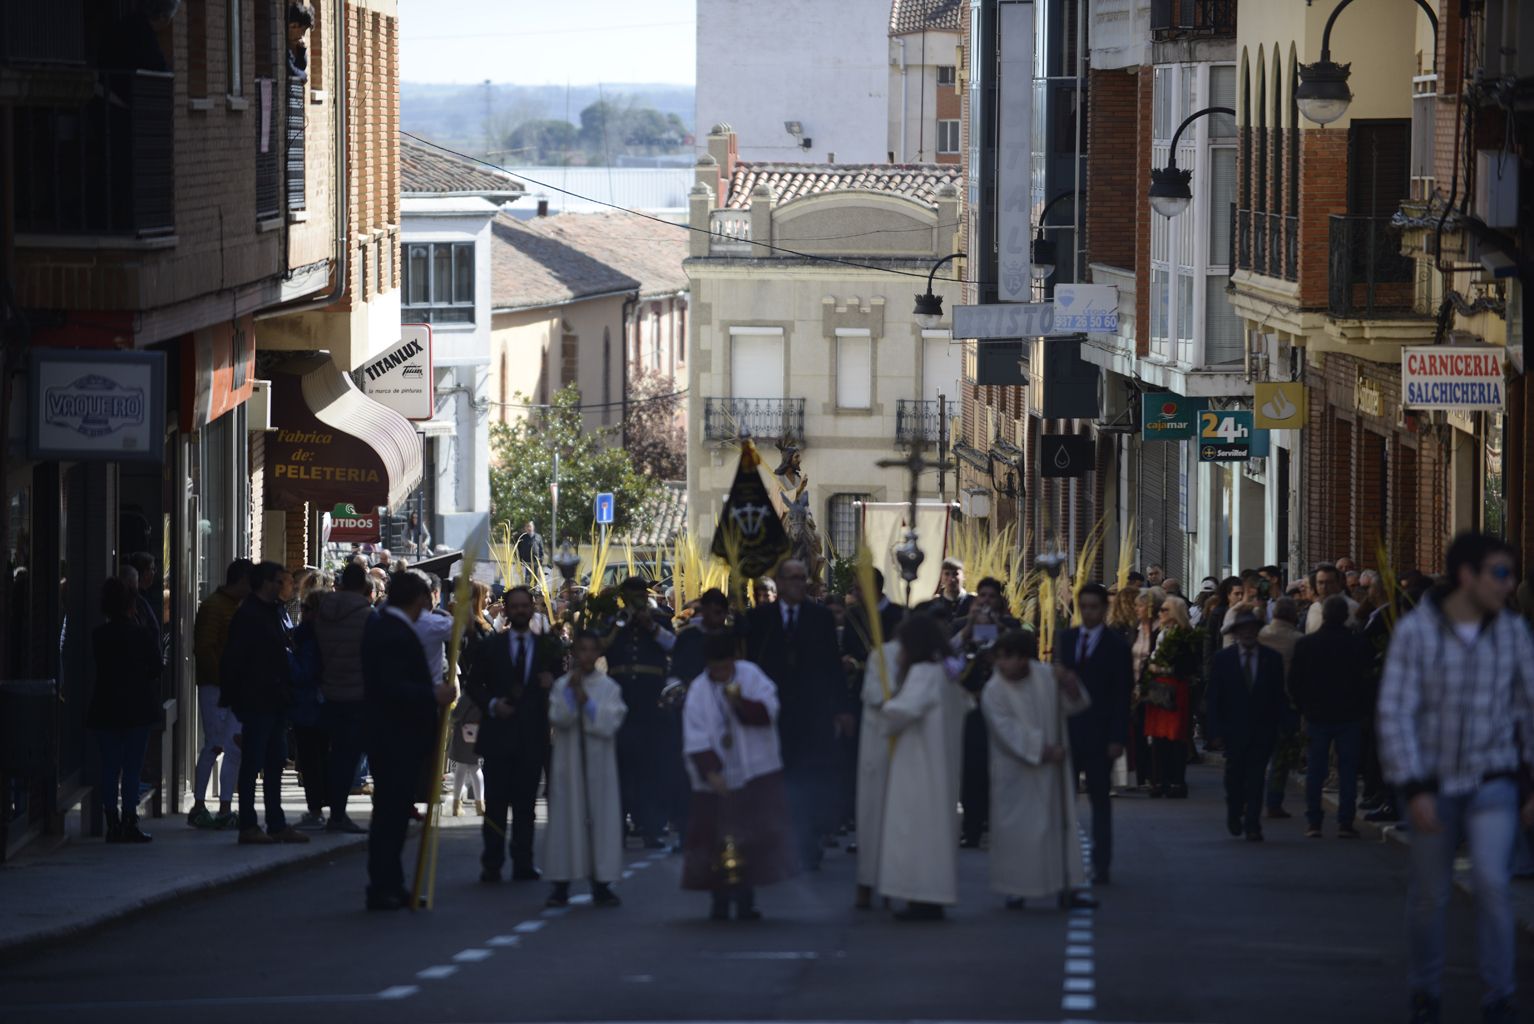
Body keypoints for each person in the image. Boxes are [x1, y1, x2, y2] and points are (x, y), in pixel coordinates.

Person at [1377, 533, 1534, 1024]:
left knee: (1491, 883)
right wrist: (1413, 785)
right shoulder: (1417, 633)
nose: (1510, 586)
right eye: (1501, 574)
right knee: (1430, 895)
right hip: (1434, 783)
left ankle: (1499, 995)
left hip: (1494, 782)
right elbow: (1396, 711)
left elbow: (1529, 708)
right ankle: (1425, 988)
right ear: (1468, 576)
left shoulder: (1512, 633)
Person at [681, 632, 797, 921]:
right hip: (716, 776)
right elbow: (693, 734)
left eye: (725, 668)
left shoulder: (752, 676)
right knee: (713, 838)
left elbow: (770, 710)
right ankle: (719, 901)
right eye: (714, 669)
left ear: (734, 660)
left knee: (752, 835)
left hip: (753, 770)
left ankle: (746, 900)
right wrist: (710, 772)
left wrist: (739, 702)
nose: (719, 675)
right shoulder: (698, 689)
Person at [360, 570, 455, 911]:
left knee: (394, 813)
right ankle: (384, 885)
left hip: (393, 734)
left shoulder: (383, 624)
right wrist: (433, 693)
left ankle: (391, 883)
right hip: (395, 735)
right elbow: (391, 686)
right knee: (390, 814)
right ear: (418, 600)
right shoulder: (392, 631)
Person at [741, 558, 842, 871]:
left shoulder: (820, 618)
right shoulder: (759, 620)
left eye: (802, 578)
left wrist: (841, 709)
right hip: (773, 713)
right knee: (776, 779)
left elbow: (832, 667)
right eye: (793, 578)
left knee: (809, 778)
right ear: (780, 583)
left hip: (811, 714)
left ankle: (808, 842)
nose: (799, 584)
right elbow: (749, 665)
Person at [982, 629, 1093, 908]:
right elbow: (1005, 729)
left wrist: (1068, 683)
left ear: (1023, 659)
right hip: (1016, 770)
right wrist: (1042, 750)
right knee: (1017, 831)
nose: (1001, 664)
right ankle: (1016, 887)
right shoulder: (993, 690)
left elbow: (1074, 705)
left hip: (1051, 770)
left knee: (1057, 826)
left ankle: (1064, 885)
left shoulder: (1046, 676)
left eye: (1007, 658)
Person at [466, 586, 561, 882]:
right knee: (495, 804)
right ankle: (491, 863)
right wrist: (493, 704)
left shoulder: (547, 647)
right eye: (514, 606)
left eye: (524, 605)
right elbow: (473, 685)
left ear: (532, 608)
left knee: (525, 806)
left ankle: (524, 862)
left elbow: (563, 685)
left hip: (532, 737)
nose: (520, 610)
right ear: (506, 609)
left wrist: (553, 681)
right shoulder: (491, 646)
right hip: (498, 736)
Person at [877, 613, 968, 921]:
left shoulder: (923, 673)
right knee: (931, 830)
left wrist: (885, 706)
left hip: (918, 766)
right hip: (938, 764)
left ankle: (921, 893)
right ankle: (927, 895)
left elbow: (904, 710)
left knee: (915, 829)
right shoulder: (944, 673)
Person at [222, 561, 309, 845]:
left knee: (274, 764)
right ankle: (248, 825)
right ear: (267, 584)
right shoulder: (248, 615)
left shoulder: (273, 613)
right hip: (257, 701)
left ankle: (276, 823)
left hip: (275, 701)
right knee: (252, 764)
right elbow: (237, 661)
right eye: (282, 581)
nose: (289, 586)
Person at [1054, 583, 1132, 884]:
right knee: (1063, 800)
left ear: (1104, 609)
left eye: (1094, 607)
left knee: (1100, 801)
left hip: (1100, 735)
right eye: (1084, 607)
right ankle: (1062, 860)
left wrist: (1117, 738)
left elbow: (1122, 695)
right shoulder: (1066, 639)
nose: (1088, 612)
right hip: (1068, 732)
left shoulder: (1116, 646)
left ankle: (1101, 864)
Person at [545, 632, 627, 908]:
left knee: (600, 818)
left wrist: (588, 704)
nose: (587, 656)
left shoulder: (609, 687)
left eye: (593, 650)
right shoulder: (562, 685)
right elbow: (558, 717)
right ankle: (561, 882)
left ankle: (601, 882)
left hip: (599, 763)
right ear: (575, 653)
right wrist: (571, 696)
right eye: (582, 650)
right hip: (569, 764)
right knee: (567, 818)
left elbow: (610, 722)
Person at [1290, 595, 1374, 839]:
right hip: (1349, 715)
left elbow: (1295, 680)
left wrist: (1303, 705)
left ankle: (1314, 821)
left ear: (1324, 615)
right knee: (1347, 770)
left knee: (1316, 770)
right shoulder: (1357, 644)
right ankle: (1345, 821)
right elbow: (1366, 681)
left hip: (1317, 714)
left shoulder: (1307, 644)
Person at [89, 575, 162, 843]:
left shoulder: (99, 636)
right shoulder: (140, 634)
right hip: (137, 707)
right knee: (132, 768)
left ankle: (112, 821)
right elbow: (156, 667)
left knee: (110, 767)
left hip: (106, 706)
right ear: (131, 606)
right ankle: (130, 819)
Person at [1206, 609, 1288, 842]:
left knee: (1255, 777)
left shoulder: (1271, 659)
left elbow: (1278, 695)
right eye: (1243, 629)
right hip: (1233, 730)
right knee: (1234, 776)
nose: (1248, 633)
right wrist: (1215, 731)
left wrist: (1282, 726)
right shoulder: (1223, 659)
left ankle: (1253, 823)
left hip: (1262, 729)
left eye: (1252, 629)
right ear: (1237, 632)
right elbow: (1214, 698)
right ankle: (1234, 811)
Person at [607, 576, 677, 849]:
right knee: (621, 766)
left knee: (650, 766)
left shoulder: (659, 619)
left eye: (638, 595)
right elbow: (600, 644)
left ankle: (651, 826)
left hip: (650, 702)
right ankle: (618, 826)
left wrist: (650, 626)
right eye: (630, 596)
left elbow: (673, 645)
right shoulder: (614, 620)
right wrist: (617, 620)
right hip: (620, 700)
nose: (634, 601)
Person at [951, 576, 1019, 849]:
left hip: (1001, 707)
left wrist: (998, 626)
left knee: (999, 768)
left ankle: (996, 823)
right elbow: (947, 653)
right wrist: (969, 626)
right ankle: (971, 826)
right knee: (970, 768)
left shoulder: (1011, 627)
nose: (987, 602)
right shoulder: (960, 625)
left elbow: (1020, 651)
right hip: (971, 707)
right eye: (983, 597)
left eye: (992, 597)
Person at [188, 558, 252, 830]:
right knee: (214, 744)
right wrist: (223, 681)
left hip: (231, 687)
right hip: (216, 688)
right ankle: (200, 804)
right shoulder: (214, 607)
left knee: (234, 747)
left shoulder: (237, 606)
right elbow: (203, 649)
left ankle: (225, 807)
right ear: (241, 581)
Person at [313, 562, 376, 834]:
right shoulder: (367, 616)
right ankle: (338, 814)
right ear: (364, 586)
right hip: (357, 695)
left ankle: (327, 809)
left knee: (330, 754)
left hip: (327, 693)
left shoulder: (321, 612)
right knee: (347, 757)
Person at [854, 634, 899, 909]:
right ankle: (867, 881)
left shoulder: (926, 661)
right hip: (879, 747)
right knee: (873, 816)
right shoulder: (882, 657)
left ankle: (897, 883)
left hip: (908, 751)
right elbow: (874, 694)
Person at [1143, 595, 1200, 799]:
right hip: (1158, 687)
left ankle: (1176, 781)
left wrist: (1162, 668)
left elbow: (1189, 666)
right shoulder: (1160, 633)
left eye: (1165, 610)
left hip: (1175, 687)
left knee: (1176, 736)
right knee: (1157, 737)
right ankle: (1159, 780)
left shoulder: (1184, 635)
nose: (1160, 613)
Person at [289, 576, 330, 829]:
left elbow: (303, 673)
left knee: (311, 761)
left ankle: (315, 810)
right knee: (321, 759)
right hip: (328, 705)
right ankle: (326, 807)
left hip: (308, 706)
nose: (301, 612)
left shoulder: (307, 637)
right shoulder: (333, 635)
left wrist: (286, 657)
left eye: (305, 608)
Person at [1259, 597, 1305, 821]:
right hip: (1286, 702)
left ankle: (1253, 797)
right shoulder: (1298, 639)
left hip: (1259, 701)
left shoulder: (1262, 635)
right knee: (1280, 756)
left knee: (1258, 753)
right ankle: (1274, 801)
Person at [1305, 563, 1359, 634]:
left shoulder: (1352, 607)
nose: (1324, 587)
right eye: (1320, 582)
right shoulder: (1314, 607)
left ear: (1338, 583)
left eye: (1329, 582)